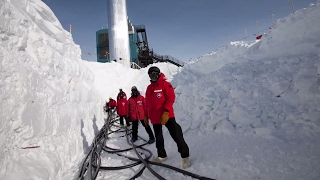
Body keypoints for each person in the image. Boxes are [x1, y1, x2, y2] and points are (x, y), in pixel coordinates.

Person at [144, 66, 191, 169]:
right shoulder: (149, 88)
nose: (153, 76)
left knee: (176, 134)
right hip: (154, 118)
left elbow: (170, 99)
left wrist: (166, 112)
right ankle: (162, 155)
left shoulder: (165, 84)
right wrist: (146, 115)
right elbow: (147, 104)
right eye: (151, 74)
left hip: (166, 115)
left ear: (159, 73)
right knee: (159, 138)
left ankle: (185, 156)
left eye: (155, 74)